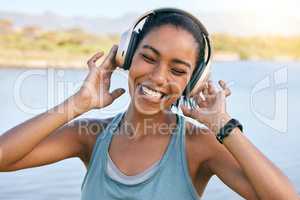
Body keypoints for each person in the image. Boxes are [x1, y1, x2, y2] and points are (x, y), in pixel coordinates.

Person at [0, 8, 298, 200]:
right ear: (127, 57)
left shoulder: (198, 145)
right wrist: (78, 103)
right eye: (148, 57)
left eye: (178, 71)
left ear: (192, 82)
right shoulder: (90, 135)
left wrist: (224, 126)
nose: (157, 77)